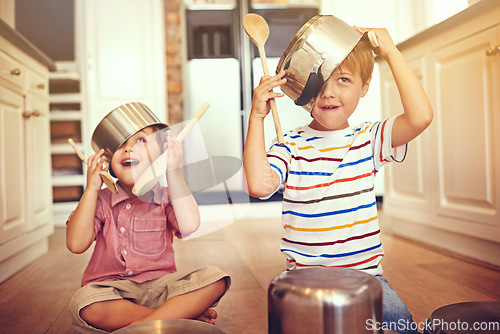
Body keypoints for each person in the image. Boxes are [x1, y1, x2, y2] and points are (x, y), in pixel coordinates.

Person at [243, 26, 432, 334]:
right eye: (319, 81)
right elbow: (259, 185)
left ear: (364, 86)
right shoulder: (289, 145)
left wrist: (391, 53)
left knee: (402, 328)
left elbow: (420, 117)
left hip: (365, 279)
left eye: (343, 80)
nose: (329, 92)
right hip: (303, 282)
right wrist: (256, 117)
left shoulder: (369, 139)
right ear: (303, 89)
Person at [67, 122, 230, 333]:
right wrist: (90, 189)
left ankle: (137, 326)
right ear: (108, 159)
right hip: (114, 292)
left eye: (141, 140)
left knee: (215, 278)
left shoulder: (166, 196)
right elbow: (76, 244)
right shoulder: (99, 200)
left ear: (161, 155)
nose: (127, 148)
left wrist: (173, 173)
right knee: (84, 303)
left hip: (162, 288)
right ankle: (174, 317)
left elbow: (189, 225)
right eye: (120, 144)